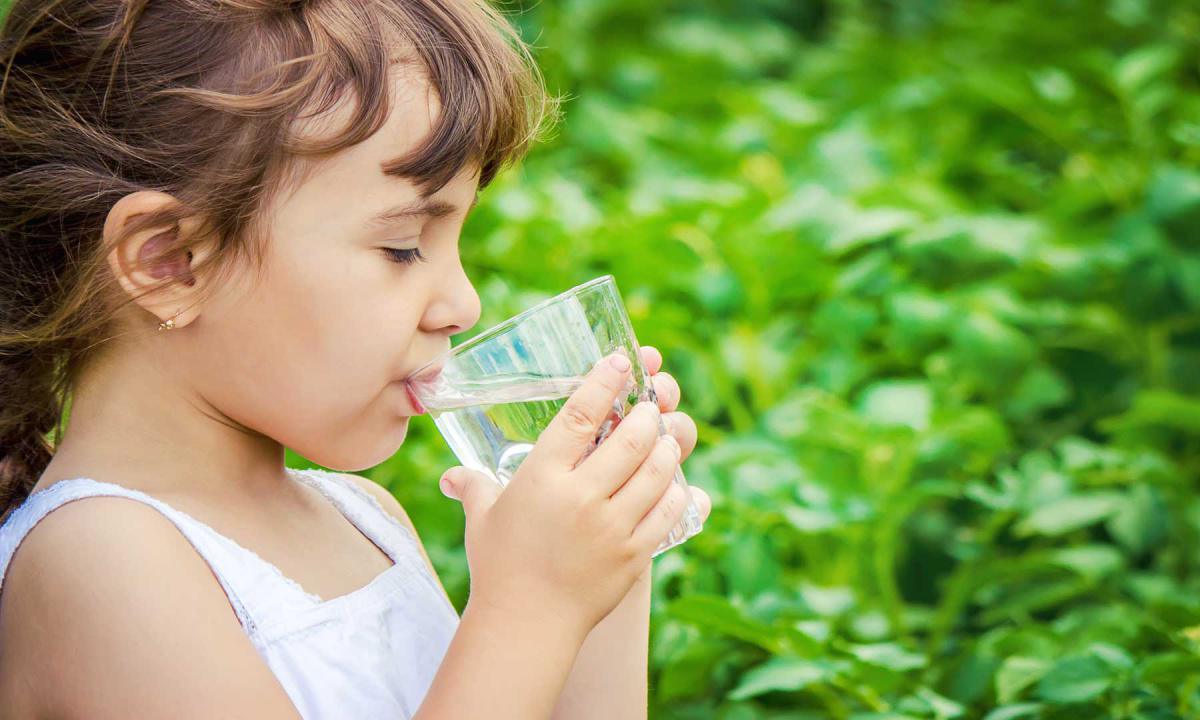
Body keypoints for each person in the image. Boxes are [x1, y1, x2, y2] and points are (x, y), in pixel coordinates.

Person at [0, 0, 712, 718]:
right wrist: (535, 606)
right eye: (403, 245)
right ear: (169, 261)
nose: (462, 303)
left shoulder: (366, 519)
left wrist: (608, 564)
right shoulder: (99, 561)